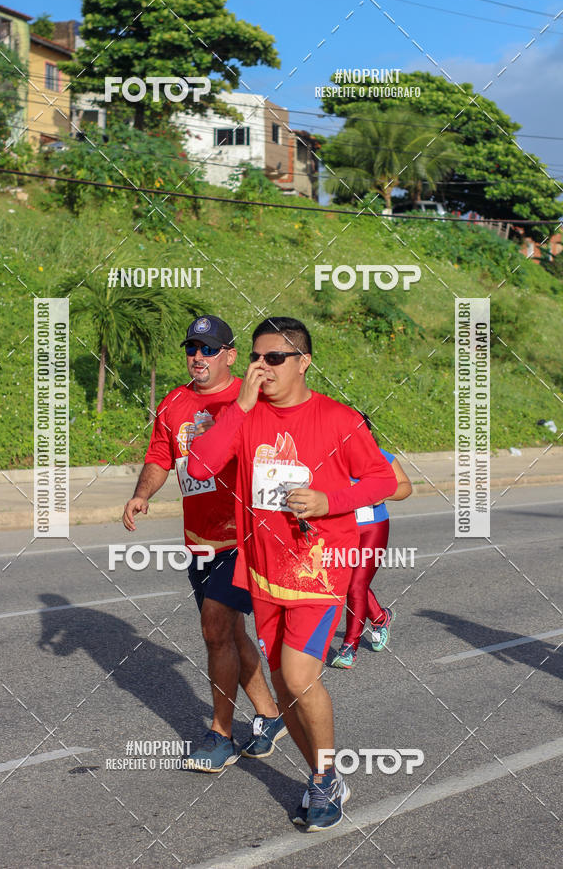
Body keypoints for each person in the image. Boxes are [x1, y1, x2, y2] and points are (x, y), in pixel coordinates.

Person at [188, 317, 397, 831]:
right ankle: (322, 775)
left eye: (274, 358)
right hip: (263, 575)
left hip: (320, 571)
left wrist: (331, 500)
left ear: (303, 361)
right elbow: (198, 467)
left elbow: (384, 479)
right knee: (284, 690)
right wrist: (237, 409)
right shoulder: (244, 415)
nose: (262, 368)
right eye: (256, 358)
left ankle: (327, 776)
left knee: (301, 677)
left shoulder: (338, 418)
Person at [122, 315, 285, 772]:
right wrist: (141, 494)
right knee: (229, 633)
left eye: (209, 349)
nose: (198, 357)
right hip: (200, 541)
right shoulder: (174, 402)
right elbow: (160, 454)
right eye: (192, 348)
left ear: (231, 355)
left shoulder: (251, 400)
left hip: (245, 537)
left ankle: (221, 735)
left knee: (214, 628)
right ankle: (271, 717)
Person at [332, 415, 412, 669]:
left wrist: (383, 492)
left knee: (356, 585)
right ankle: (380, 617)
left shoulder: (382, 457)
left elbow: (405, 487)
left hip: (373, 528)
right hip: (341, 530)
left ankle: (349, 647)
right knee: (347, 582)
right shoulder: (333, 458)